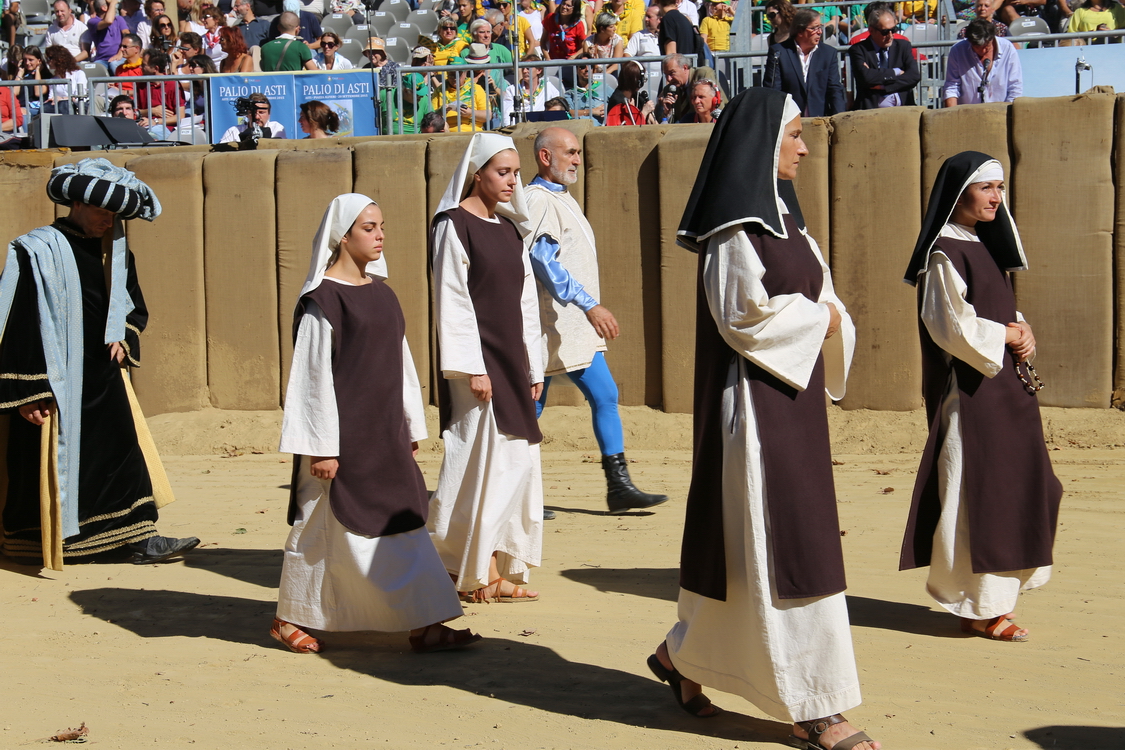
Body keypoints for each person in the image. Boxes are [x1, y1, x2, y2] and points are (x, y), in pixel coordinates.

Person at [653, 87, 877, 750]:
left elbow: (824, 295)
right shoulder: (733, 229)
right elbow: (741, 317)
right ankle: (816, 707)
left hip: (793, 398)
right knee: (784, 551)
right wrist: (823, 319)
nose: (804, 149)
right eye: (794, 136)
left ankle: (679, 656)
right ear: (761, 143)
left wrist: (829, 316)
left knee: (757, 556)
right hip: (752, 410)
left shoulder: (788, 223)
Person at [272, 194, 482, 656]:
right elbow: (311, 380)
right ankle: (289, 616)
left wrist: (408, 427)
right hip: (341, 441)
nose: (380, 235)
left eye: (382, 225)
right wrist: (321, 447)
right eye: (368, 227)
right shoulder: (322, 301)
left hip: (383, 435)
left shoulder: (382, 294)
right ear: (342, 236)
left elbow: (401, 367)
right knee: (319, 529)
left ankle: (425, 622)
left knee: (404, 521)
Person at [0, 158, 199, 569]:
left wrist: (125, 337)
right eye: (100, 211)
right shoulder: (36, 249)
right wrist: (29, 391)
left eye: (113, 214)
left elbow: (131, 306)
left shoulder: (117, 253)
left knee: (122, 454)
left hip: (103, 379)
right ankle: (45, 545)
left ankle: (138, 537)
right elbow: (18, 321)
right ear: (75, 203)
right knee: (39, 468)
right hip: (52, 381)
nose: (107, 221)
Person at [900, 152, 1062, 644]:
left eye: (1000, 188)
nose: (995, 197)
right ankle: (979, 607)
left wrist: (1023, 327)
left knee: (1016, 487)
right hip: (972, 397)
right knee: (977, 495)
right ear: (959, 193)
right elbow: (949, 326)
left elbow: (998, 309)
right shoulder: (944, 250)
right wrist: (1006, 335)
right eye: (986, 187)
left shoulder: (981, 244)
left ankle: (994, 600)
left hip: (1004, 393)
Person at [525, 128, 669, 514]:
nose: (576, 160)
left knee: (604, 395)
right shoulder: (538, 200)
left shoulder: (560, 198)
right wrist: (591, 305)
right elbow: (543, 263)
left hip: (569, 326)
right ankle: (522, 496)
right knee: (533, 406)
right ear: (544, 157)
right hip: (550, 323)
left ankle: (618, 487)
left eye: (577, 153)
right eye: (569, 153)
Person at [428, 133, 545, 604]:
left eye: (516, 172)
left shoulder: (511, 229)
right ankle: (467, 570)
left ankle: (492, 567)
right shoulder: (453, 225)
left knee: (515, 464)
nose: (511, 181)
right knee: (477, 463)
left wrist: (533, 365)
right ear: (476, 173)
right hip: (476, 366)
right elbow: (451, 299)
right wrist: (470, 367)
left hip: (511, 362)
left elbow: (526, 303)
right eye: (503, 172)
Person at [764, 9, 845, 117]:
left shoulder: (828, 53)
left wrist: (840, 119)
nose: (820, 32)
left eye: (820, 27)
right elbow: (773, 90)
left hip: (819, 119)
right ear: (800, 31)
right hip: (788, 119)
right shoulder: (779, 52)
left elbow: (835, 89)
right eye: (814, 28)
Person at [849, 6, 920, 110]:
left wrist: (884, 86)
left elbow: (914, 76)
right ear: (871, 30)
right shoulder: (858, 50)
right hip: (871, 111)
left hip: (904, 109)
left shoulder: (903, 46)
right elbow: (865, 77)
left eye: (893, 30)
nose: (890, 35)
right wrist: (896, 72)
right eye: (885, 32)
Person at [942, 18, 1022, 106]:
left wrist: (1008, 114)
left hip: (1002, 112)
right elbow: (952, 86)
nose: (983, 51)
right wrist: (953, 115)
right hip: (968, 113)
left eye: (987, 46)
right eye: (978, 47)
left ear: (992, 38)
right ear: (970, 42)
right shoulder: (957, 51)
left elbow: (1015, 86)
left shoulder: (1008, 48)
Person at [657, 53, 723, 125]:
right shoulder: (669, 89)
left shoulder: (703, 74)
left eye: (672, 73)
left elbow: (719, 105)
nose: (668, 79)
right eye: (666, 74)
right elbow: (660, 123)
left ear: (685, 68)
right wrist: (667, 113)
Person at [606, 58, 656, 125]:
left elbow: (654, 123)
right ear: (637, 81)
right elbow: (629, 129)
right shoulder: (617, 101)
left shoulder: (637, 97)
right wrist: (644, 112)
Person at [219, 91, 285, 142]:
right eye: (252, 113)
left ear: (269, 114)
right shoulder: (233, 131)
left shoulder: (276, 128)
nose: (257, 117)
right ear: (247, 114)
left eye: (261, 112)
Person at [84, 0, 131, 65]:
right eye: (109, 5)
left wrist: (120, 53)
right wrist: (113, 3)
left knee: (114, 64)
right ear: (104, 8)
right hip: (101, 60)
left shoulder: (119, 19)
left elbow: (127, 35)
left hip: (119, 57)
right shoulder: (92, 21)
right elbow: (108, 21)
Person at [43, 45, 87, 114]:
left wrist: (62, 99)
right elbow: (51, 97)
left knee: (64, 105)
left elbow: (80, 97)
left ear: (59, 59)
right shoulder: (53, 79)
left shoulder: (79, 74)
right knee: (44, 107)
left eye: (49, 58)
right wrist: (54, 99)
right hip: (60, 106)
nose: (47, 62)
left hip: (77, 107)